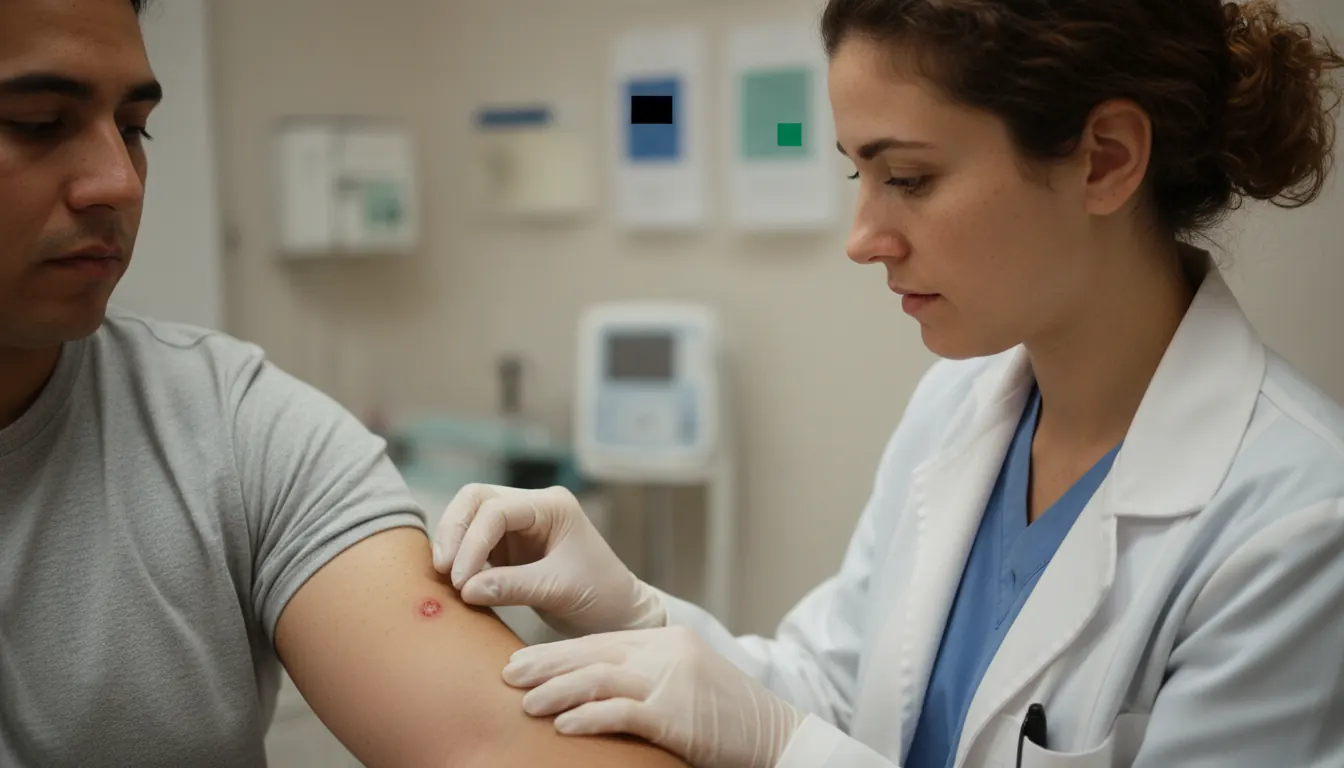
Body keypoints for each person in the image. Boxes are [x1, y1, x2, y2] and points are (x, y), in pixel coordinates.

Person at [434, 0, 1344, 766]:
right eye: (857, 172)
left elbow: (796, 735)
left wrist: (782, 746)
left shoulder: (1298, 524)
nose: (863, 235)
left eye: (907, 175)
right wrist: (631, 609)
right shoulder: (960, 406)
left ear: (1105, 158)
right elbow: (836, 689)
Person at [0, 2, 698, 767]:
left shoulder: (233, 431)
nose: (119, 183)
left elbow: (490, 739)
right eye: (37, 122)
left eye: (135, 129)